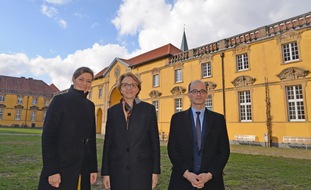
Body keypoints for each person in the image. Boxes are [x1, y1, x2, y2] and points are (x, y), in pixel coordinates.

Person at [38, 67, 98, 189]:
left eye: (88, 81)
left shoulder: (90, 105)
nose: (85, 84)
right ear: (73, 79)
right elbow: (48, 137)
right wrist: (52, 170)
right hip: (61, 166)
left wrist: (93, 168)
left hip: (83, 167)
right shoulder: (59, 100)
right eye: (81, 79)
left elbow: (91, 139)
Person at [101, 72, 160, 190]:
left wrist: (155, 172)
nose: (129, 88)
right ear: (120, 89)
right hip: (118, 169)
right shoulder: (113, 111)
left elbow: (154, 142)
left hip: (142, 170)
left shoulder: (148, 110)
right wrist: (105, 173)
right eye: (125, 85)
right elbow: (108, 143)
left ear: (138, 89)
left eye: (133, 85)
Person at [167, 80, 230, 190]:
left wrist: (209, 175)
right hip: (182, 181)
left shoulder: (218, 119)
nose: (198, 94)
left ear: (206, 94)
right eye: (195, 91)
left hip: (211, 182)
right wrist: (187, 174)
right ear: (189, 95)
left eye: (202, 91)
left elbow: (224, 151)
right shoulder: (177, 119)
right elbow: (172, 149)